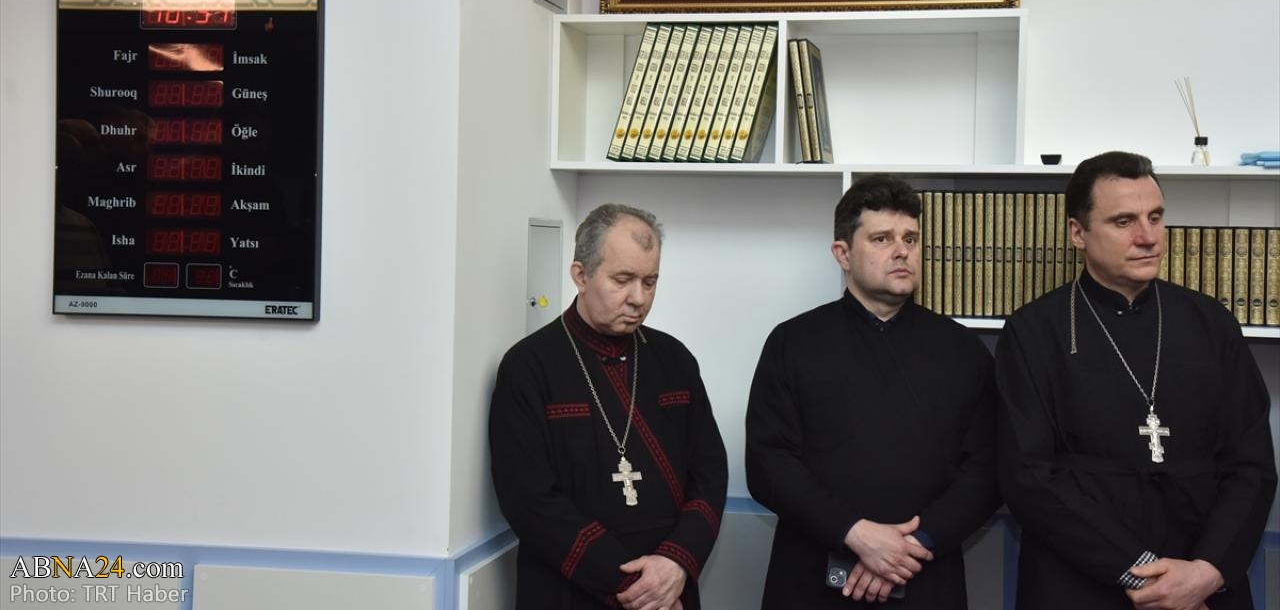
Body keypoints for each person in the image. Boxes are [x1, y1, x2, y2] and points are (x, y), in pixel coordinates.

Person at [995, 151, 1277, 609]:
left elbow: (1252, 466)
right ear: (1078, 233)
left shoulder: (1211, 322)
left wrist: (1206, 571)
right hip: (1079, 581)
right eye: (1123, 221)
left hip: (1203, 585)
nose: (1148, 237)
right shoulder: (1034, 331)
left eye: (1156, 217)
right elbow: (1028, 477)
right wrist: (1143, 573)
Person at [745, 174, 1000, 609]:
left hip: (925, 576)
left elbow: (988, 469)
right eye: (882, 239)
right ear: (842, 254)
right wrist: (856, 534)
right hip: (811, 578)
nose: (902, 251)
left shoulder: (963, 350)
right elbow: (769, 463)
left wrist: (910, 547)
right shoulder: (793, 342)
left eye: (910, 239)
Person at [490, 203, 728, 610]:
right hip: (572, 591)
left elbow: (710, 473)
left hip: (670, 586)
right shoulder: (528, 366)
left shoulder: (674, 360)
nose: (639, 298)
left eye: (650, 282)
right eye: (623, 280)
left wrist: (676, 562)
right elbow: (529, 501)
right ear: (581, 275)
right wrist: (637, 588)